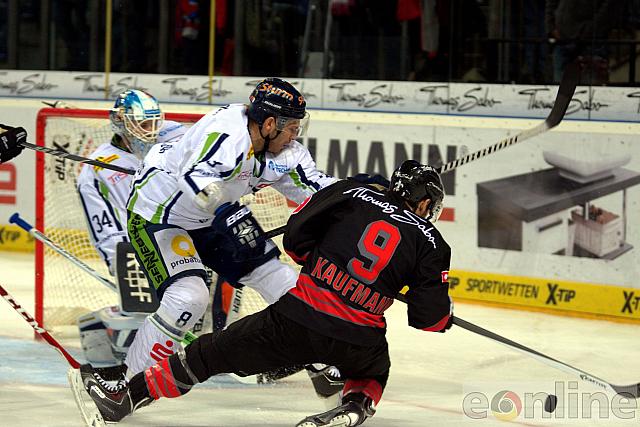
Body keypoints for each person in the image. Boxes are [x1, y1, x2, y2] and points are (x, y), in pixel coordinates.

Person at [74, 159, 454, 427]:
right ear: (424, 203)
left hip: (294, 319)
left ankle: (126, 398)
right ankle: (353, 408)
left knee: (205, 355)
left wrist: (321, 261)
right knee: (375, 370)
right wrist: (441, 315)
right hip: (358, 338)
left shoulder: (351, 194)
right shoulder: (434, 242)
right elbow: (429, 320)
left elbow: (296, 241)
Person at [104, 77, 336, 379]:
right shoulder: (226, 132)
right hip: (160, 215)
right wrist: (227, 212)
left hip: (214, 217)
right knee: (189, 297)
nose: (295, 136)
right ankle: (128, 383)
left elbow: (319, 190)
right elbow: (194, 176)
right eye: (292, 127)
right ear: (269, 125)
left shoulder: (286, 152)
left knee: (285, 282)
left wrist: (363, 193)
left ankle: (317, 361)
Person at [75, 89, 188, 366]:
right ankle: (103, 328)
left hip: (182, 236)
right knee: (142, 329)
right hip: (138, 247)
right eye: (143, 124)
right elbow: (105, 229)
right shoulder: (97, 169)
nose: (151, 131)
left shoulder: (174, 134)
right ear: (121, 123)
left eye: (154, 122)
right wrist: (123, 264)